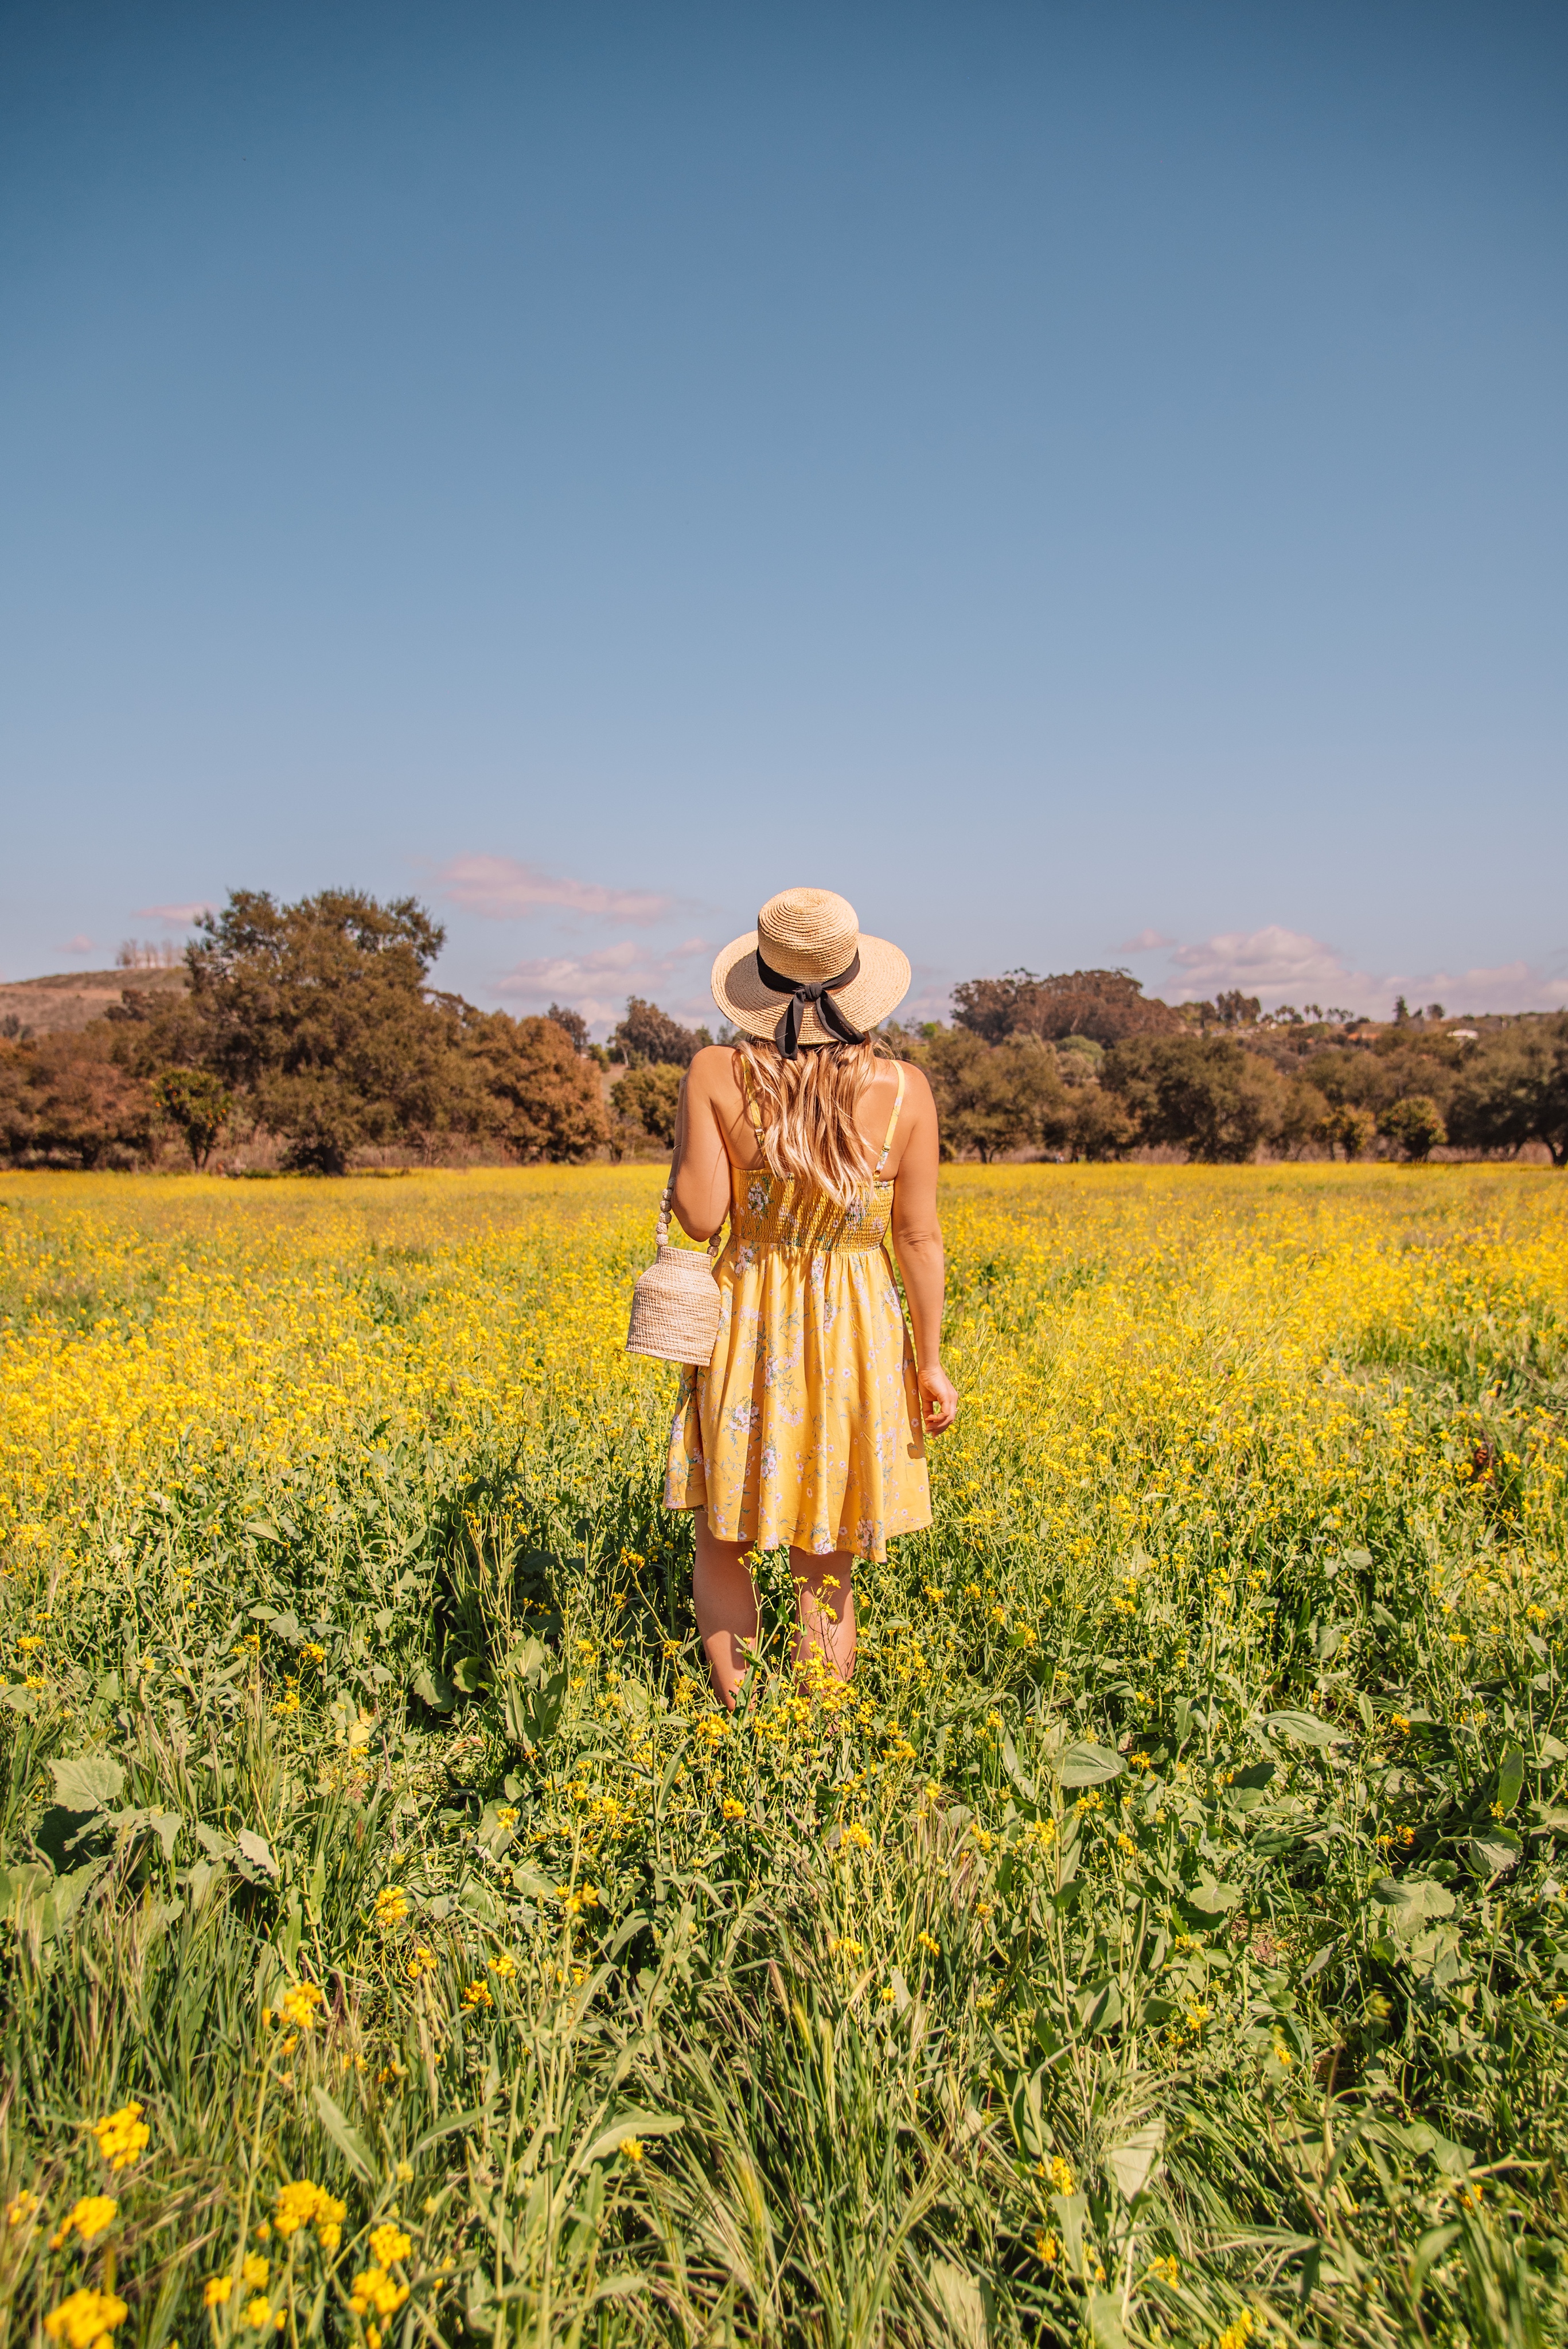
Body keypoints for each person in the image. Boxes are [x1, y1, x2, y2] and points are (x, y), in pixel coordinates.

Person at [664, 885, 959, 1706]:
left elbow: (698, 1219)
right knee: (824, 1548)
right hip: (858, 1322)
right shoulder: (906, 1090)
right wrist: (929, 1365)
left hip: (749, 1313)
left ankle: (743, 1722)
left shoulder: (716, 1072)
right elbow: (918, 1239)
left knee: (724, 1536)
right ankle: (814, 1743)